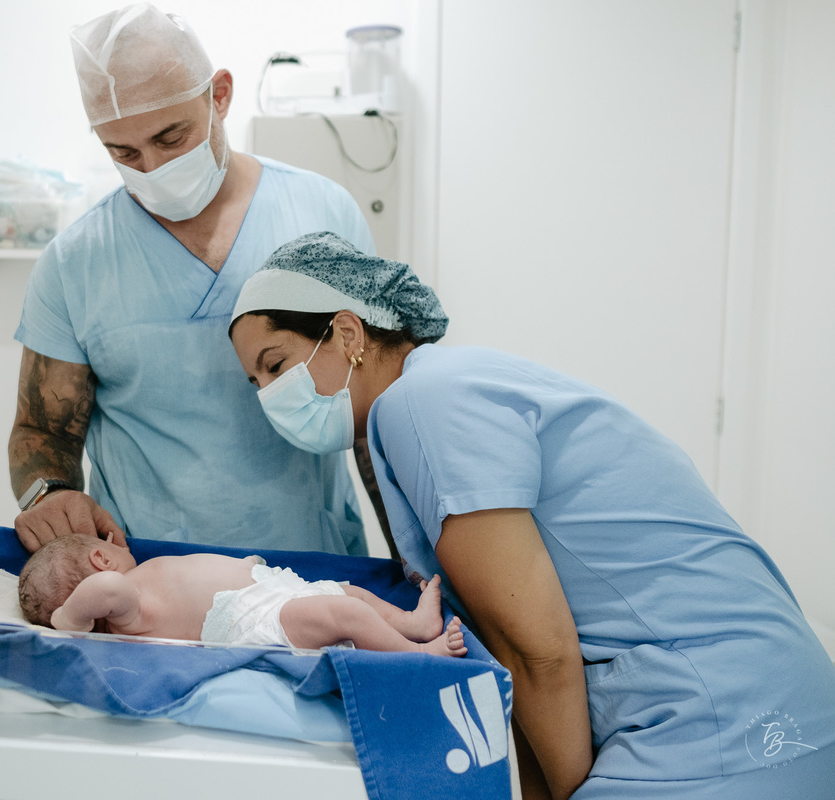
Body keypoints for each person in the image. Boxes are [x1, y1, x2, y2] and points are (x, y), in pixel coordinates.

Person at [226, 231, 835, 800]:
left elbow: (537, 653)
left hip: (723, 713)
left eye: (276, 365)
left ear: (349, 332)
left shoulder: (423, 402)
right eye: (255, 381)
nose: (268, 396)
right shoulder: (443, 390)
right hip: (753, 686)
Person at [8, 3, 376, 557]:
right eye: (124, 152)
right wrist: (50, 492)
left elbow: (377, 411)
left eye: (172, 136)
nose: (153, 168)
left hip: (313, 568)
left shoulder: (321, 213)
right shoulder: (76, 262)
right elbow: (42, 430)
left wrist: (415, 559)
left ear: (219, 95)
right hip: (148, 584)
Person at [18, 532, 468, 657]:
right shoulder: (124, 602)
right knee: (343, 611)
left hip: (272, 590)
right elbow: (106, 589)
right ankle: (419, 654)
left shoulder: (138, 580)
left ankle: (413, 624)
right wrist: (68, 619)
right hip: (252, 622)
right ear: (101, 560)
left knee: (347, 591)